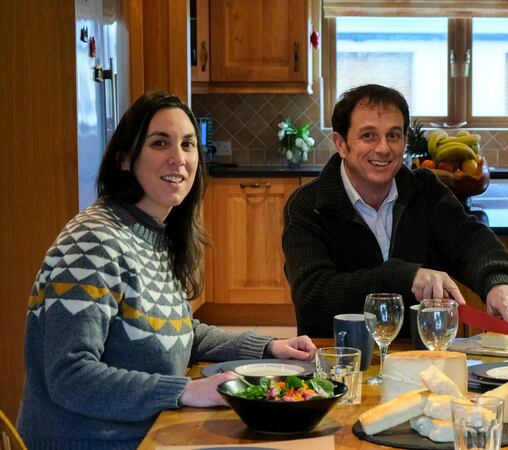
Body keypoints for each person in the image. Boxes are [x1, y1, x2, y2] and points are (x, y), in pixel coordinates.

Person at [16, 91, 316, 450]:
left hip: (149, 433)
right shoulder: (93, 242)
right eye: (160, 143)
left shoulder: (151, 234)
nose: (179, 159)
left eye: (188, 145)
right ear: (125, 158)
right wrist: (186, 390)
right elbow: (69, 376)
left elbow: (178, 333)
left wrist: (269, 347)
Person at [282, 83, 508, 340]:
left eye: (393, 135)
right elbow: (313, 296)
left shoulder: (425, 190)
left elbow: (470, 241)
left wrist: (500, 281)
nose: (383, 148)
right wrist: (402, 276)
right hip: (339, 358)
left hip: (417, 358)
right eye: (368, 135)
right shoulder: (308, 205)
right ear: (341, 144)